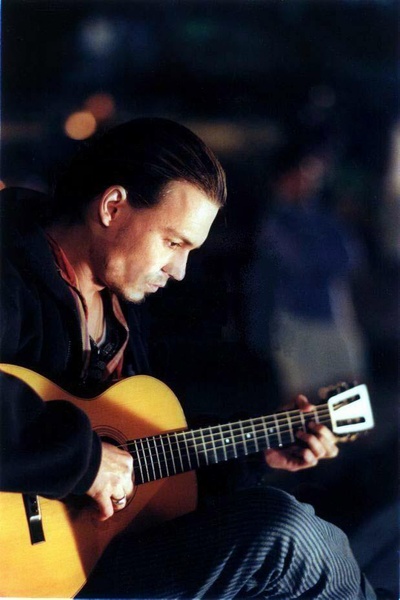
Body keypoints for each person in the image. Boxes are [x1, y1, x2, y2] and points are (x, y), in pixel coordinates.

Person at [0, 118, 375, 599]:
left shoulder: (121, 310)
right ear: (113, 207)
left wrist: (258, 452)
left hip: (86, 562)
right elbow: (92, 458)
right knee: (283, 534)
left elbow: (141, 463)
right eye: (173, 242)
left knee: (286, 524)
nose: (178, 271)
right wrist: (85, 461)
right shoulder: (10, 270)